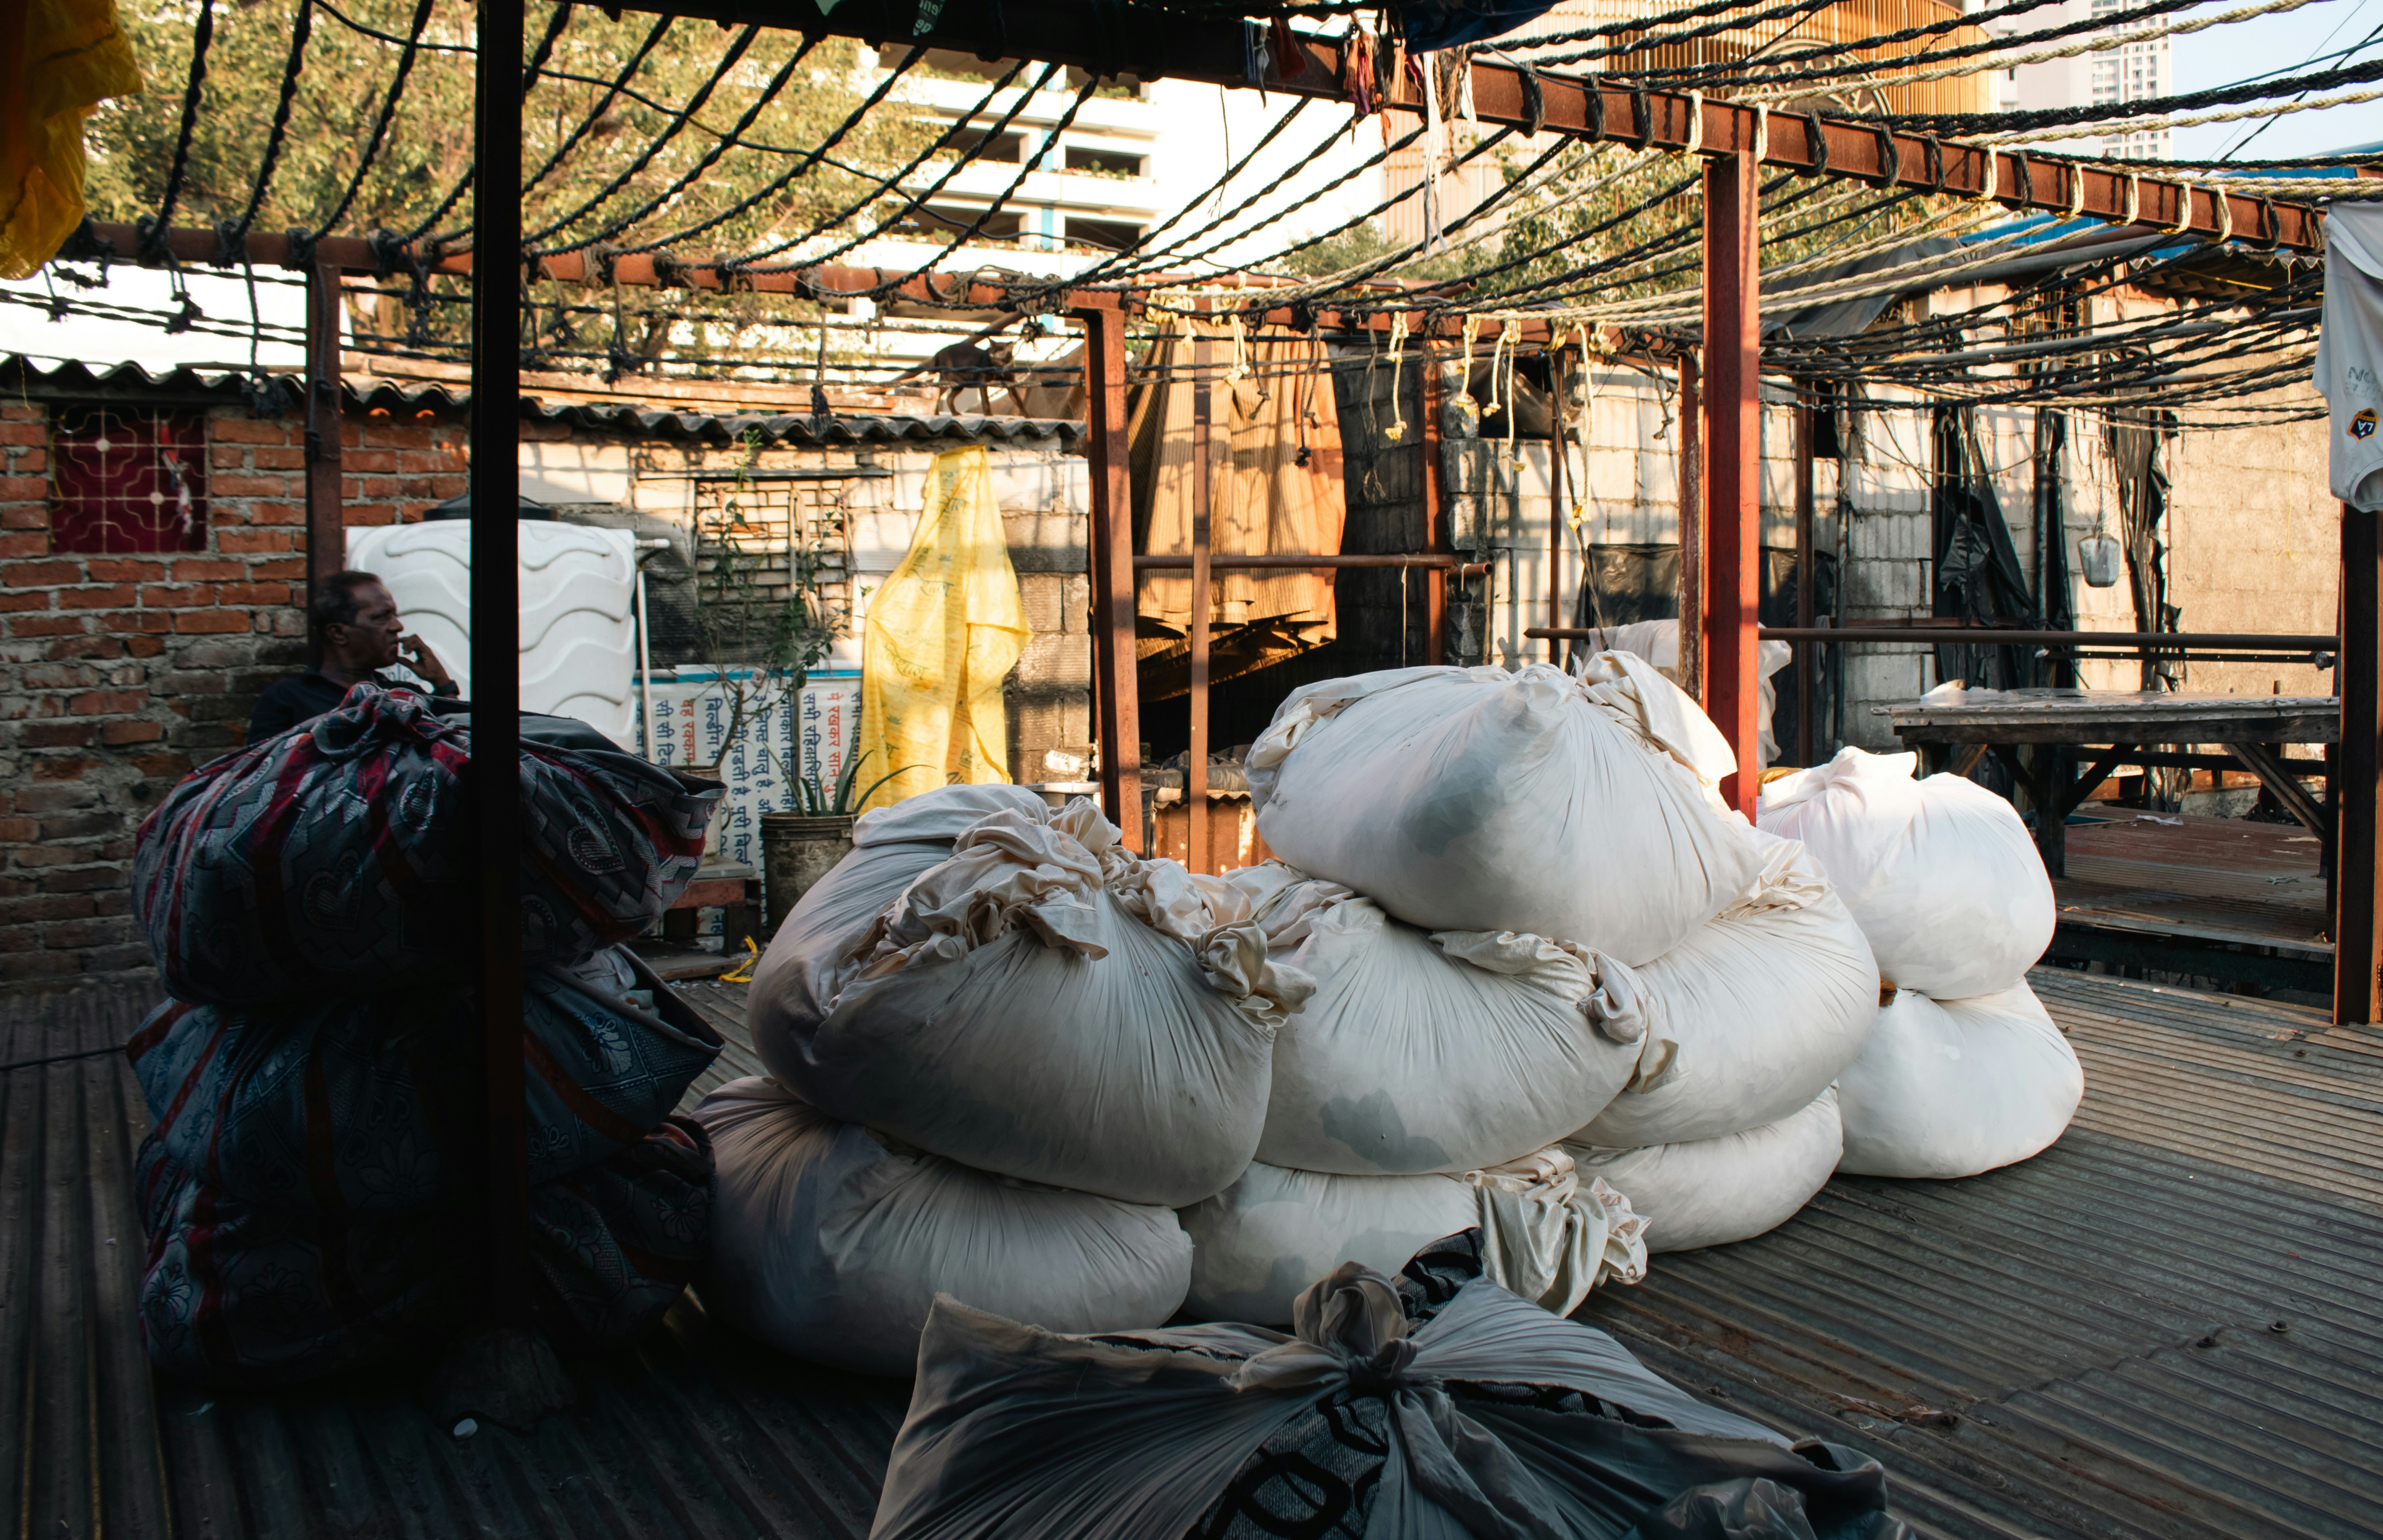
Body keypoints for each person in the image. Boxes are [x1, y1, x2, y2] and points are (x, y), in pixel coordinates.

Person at [247, 570, 457, 741]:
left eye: (394, 615)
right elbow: (266, 770)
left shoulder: (404, 696)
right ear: (338, 633)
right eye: (381, 617)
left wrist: (442, 683)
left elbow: (459, 747)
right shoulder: (289, 698)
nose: (397, 626)